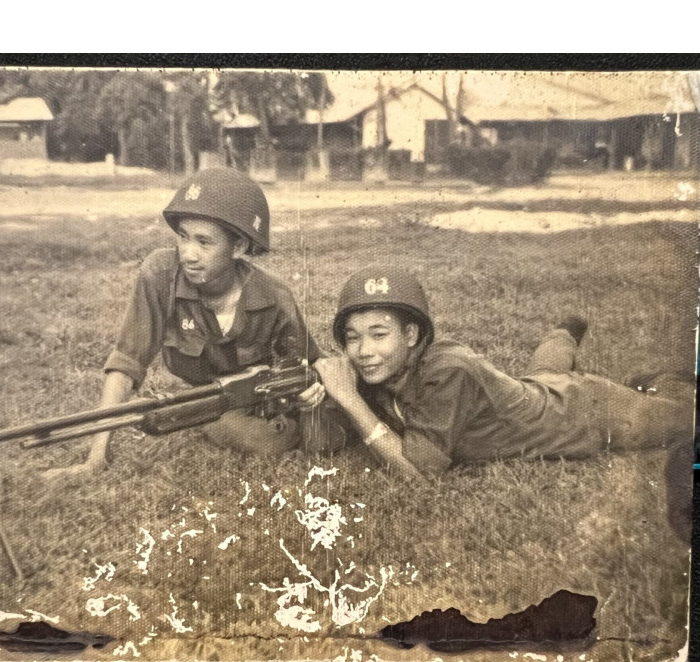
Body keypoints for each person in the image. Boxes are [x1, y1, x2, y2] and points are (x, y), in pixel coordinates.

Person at [44, 167, 324, 484]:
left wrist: (308, 391)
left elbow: (314, 364)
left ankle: (213, 419)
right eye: (183, 237)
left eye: (204, 242)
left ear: (239, 248)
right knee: (244, 431)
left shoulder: (274, 297)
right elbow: (127, 361)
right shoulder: (161, 274)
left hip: (262, 400)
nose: (188, 253)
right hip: (210, 398)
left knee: (275, 439)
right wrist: (96, 460)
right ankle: (206, 417)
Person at [314, 266, 694, 485]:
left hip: (590, 414)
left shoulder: (449, 371)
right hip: (539, 390)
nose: (363, 351)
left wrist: (348, 398)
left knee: (686, 421)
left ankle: (665, 382)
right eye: (352, 338)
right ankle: (564, 333)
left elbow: (419, 475)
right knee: (546, 373)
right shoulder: (382, 368)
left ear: (411, 335)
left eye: (379, 335)